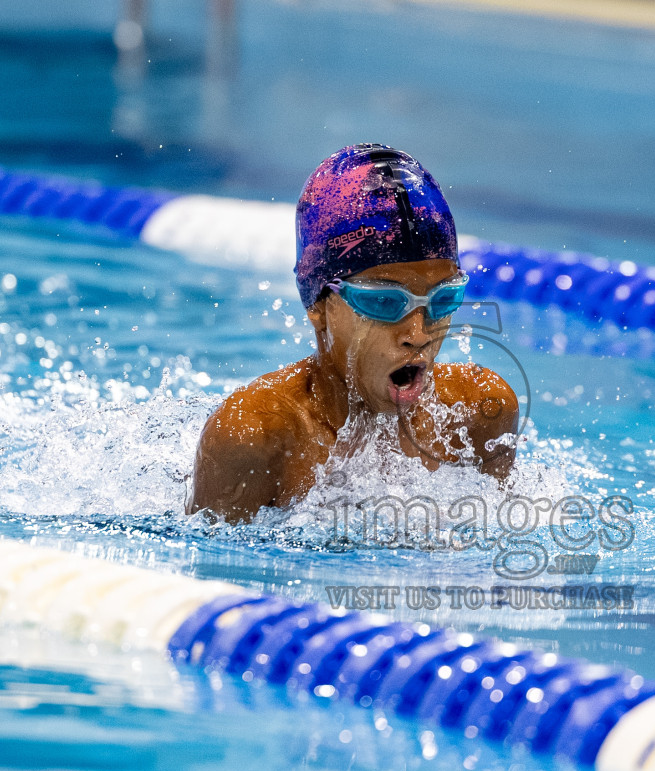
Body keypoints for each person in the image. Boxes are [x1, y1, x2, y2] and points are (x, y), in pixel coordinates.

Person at [187, 144, 519, 521]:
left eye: (443, 299)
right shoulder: (254, 437)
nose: (418, 333)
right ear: (318, 308)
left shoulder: (479, 413)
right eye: (384, 302)